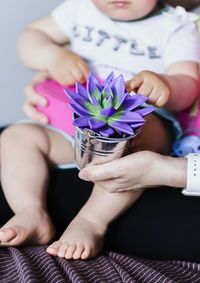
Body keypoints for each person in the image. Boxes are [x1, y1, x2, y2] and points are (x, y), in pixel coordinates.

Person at [0, 0, 200, 261]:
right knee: (16, 137)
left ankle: (91, 221)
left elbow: (189, 82)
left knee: (133, 144)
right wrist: (52, 56)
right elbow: (31, 37)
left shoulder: (175, 26)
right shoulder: (78, 10)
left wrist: (166, 85)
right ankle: (31, 212)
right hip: (75, 123)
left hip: (141, 123)